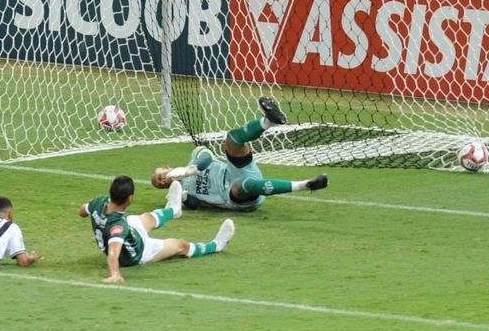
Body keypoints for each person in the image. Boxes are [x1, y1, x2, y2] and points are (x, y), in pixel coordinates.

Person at [151, 97, 329, 212]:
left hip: (231, 171)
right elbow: (194, 204)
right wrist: (181, 195)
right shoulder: (178, 192)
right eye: (160, 184)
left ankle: (268, 121)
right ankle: (306, 185)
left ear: (167, 168)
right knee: (243, 185)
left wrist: (191, 169)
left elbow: (207, 158)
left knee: (232, 139)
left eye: (159, 176)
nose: (162, 181)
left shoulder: (195, 155)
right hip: (231, 196)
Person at [81, 176, 234, 284]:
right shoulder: (118, 226)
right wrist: (115, 274)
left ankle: (174, 209)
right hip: (139, 252)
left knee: (147, 218)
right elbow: (114, 253)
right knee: (180, 245)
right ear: (130, 198)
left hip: (129, 232)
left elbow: (82, 211)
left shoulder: (99, 202)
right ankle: (216, 245)